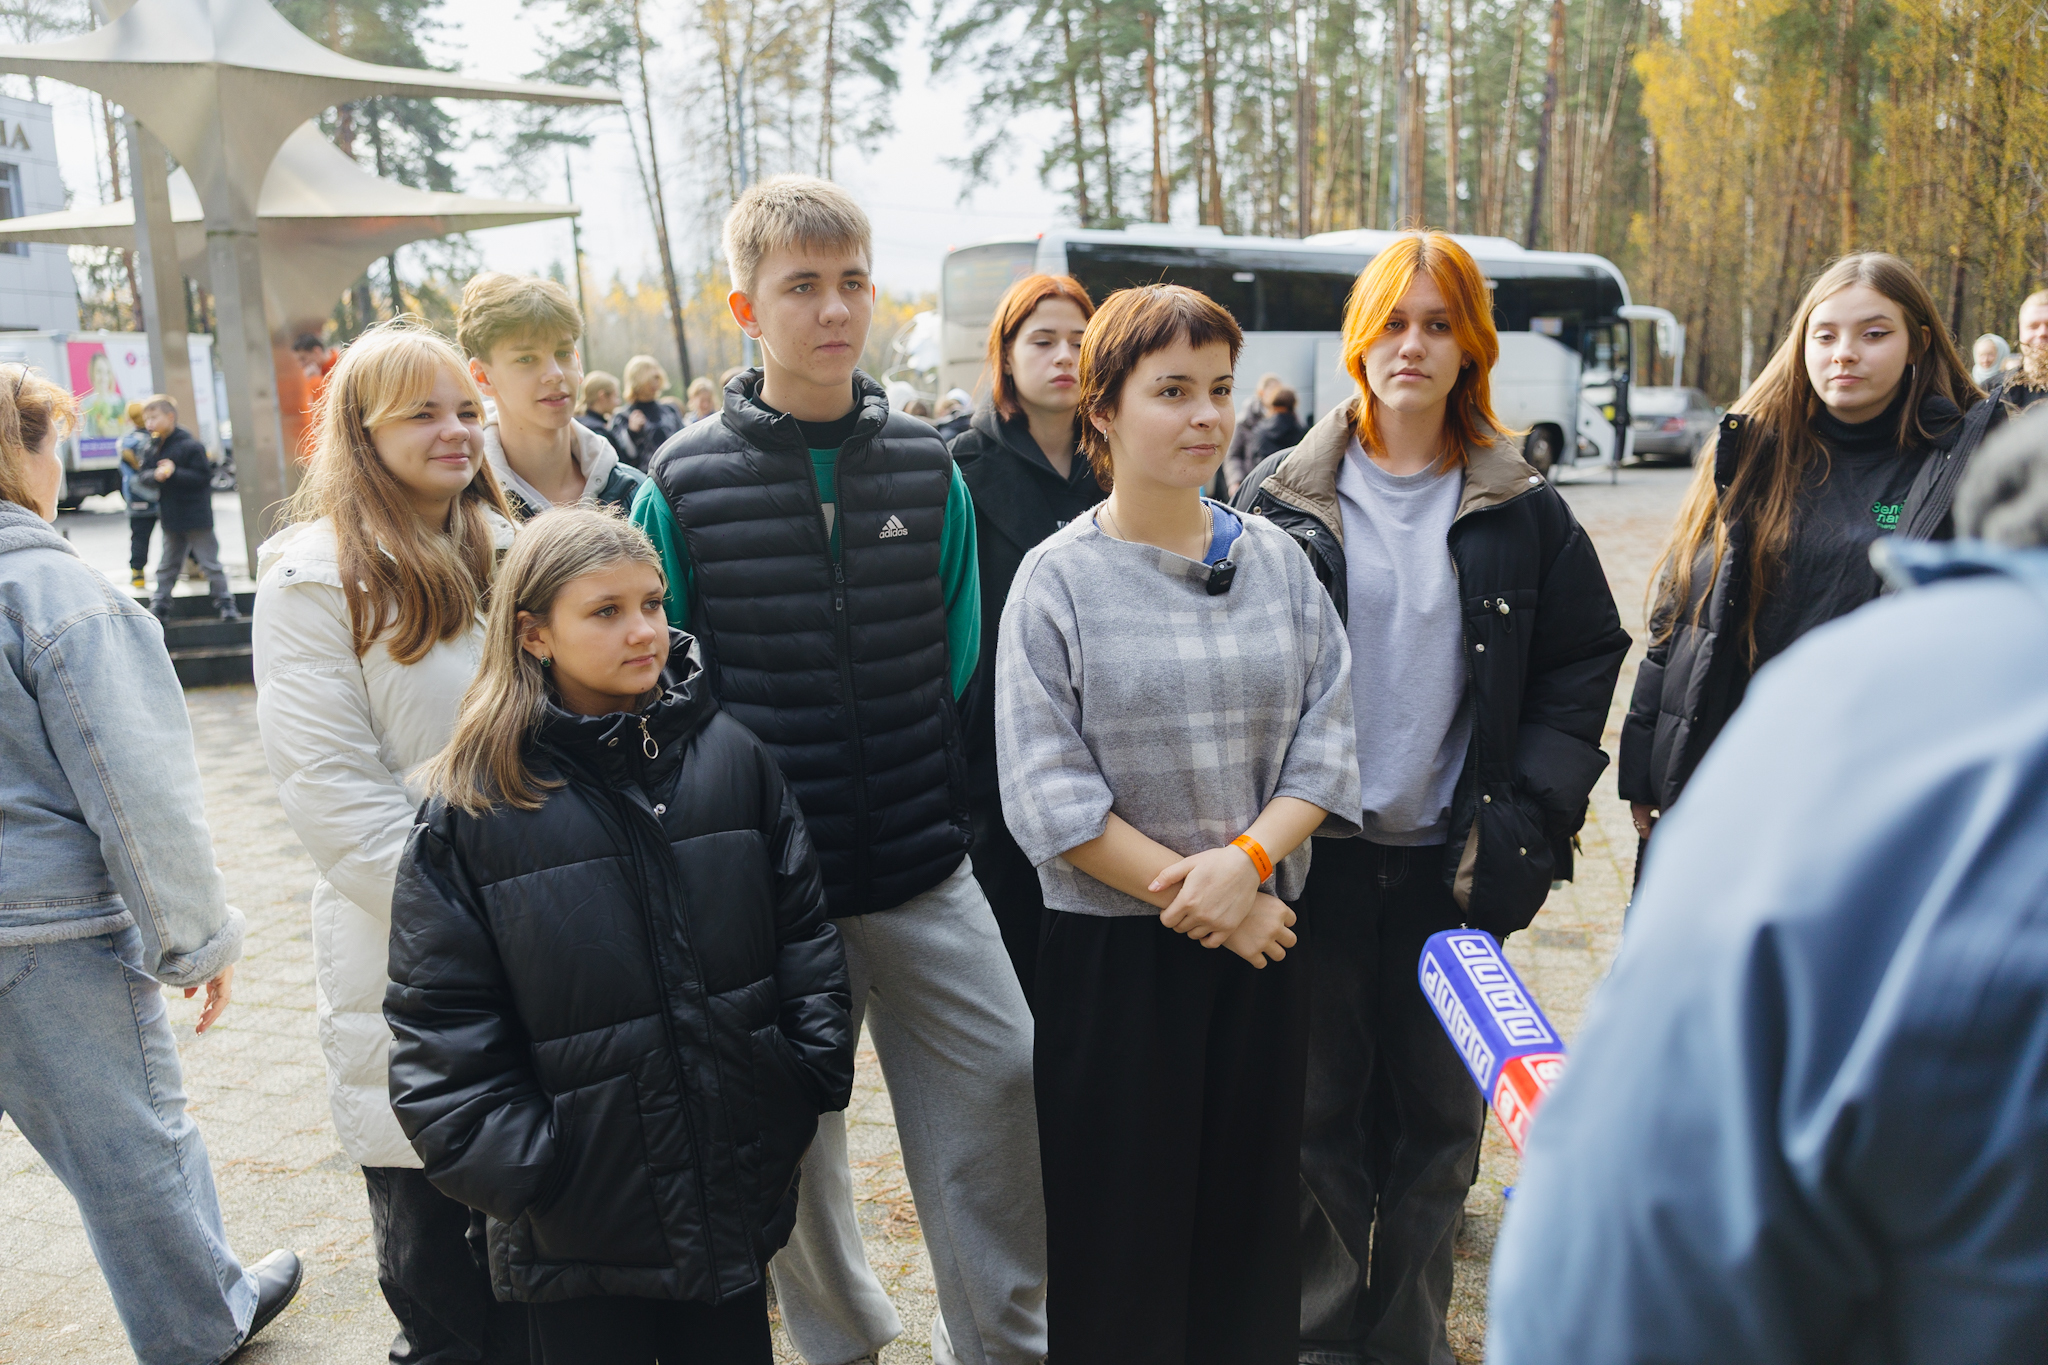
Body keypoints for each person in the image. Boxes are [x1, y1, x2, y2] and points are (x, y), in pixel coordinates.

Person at [1485, 408, 2048, 1365]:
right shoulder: (1755, 477)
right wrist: (1644, 773)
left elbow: (1618, 1253)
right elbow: (1673, 629)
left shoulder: (1840, 692)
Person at [630, 174, 1046, 1365]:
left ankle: (1004, 1339)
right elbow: (661, 680)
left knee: (1002, 1076)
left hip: (920, 864)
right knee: (794, 1136)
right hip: (764, 888)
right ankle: (840, 1339)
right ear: (744, 308)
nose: (831, 308)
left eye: (851, 282)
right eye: (800, 285)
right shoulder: (682, 483)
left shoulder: (926, 465)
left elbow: (956, 651)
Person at [1233, 230, 1631, 1365]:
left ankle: (1406, 1341)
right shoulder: (1277, 495)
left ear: (1470, 349)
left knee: (1440, 1131)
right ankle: (1317, 1343)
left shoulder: (1522, 506)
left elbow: (1583, 657)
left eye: (1438, 324)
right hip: (1314, 865)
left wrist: (1527, 819)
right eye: (1393, 322)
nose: (1412, 344)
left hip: (1451, 873)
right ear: (1360, 341)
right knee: (1310, 1123)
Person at [386, 506, 857, 1365]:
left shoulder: (731, 757)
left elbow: (803, 933)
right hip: (576, 1229)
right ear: (533, 633)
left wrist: (798, 1076)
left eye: (652, 602)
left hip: (726, 1193)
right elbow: (439, 1022)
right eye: (605, 610)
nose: (643, 630)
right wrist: (529, 1171)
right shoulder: (476, 807)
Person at [999, 283, 1360, 1363]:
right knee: (1123, 1246)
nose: (1204, 415)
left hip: (1263, 946)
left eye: (1218, 388)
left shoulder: (1278, 562)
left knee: (1248, 1238)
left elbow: (1328, 740)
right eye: (1170, 391)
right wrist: (1215, 897)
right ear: (1102, 408)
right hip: (1114, 959)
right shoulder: (1055, 582)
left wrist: (1247, 865)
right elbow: (1049, 798)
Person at [0, 362, 302, 1364]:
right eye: (54, 445)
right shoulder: (56, 592)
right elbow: (136, 789)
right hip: (44, 929)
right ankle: (198, 1324)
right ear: (24, 455)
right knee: (132, 1141)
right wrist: (195, 940)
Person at [252, 320, 527, 1365]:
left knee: (547, 1265)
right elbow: (331, 794)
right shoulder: (313, 581)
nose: (455, 430)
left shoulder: (520, 552)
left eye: (466, 409)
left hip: (553, 943)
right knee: (439, 1275)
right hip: (413, 959)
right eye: (422, 413)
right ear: (361, 431)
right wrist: (478, 918)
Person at [1620, 252, 1999, 839]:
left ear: (1918, 343)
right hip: (1738, 774)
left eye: (1874, 334)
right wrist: (1647, 766)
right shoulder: (1752, 453)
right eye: (1825, 336)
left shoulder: (1971, 466)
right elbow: (1680, 615)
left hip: (1886, 792)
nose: (1844, 352)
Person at [948, 271, 1099, 1002]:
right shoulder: (956, 467)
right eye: (1043, 340)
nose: (1064, 356)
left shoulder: (1121, 459)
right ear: (1005, 355)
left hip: (1106, 746)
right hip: (994, 752)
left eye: (1080, 340)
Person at [460, 273, 646, 518]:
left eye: (563, 353)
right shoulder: (459, 507)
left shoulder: (638, 493)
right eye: (526, 358)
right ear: (482, 377)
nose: (555, 374)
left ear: (578, 363)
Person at [144, 393, 238, 622]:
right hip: (171, 517)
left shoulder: (190, 445)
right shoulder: (153, 447)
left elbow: (203, 478)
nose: (149, 423)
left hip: (196, 516)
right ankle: (160, 606)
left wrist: (174, 472)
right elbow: (143, 476)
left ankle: (226, 605)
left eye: (154, 417)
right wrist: (156, 475)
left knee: (210, 563)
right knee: (168, 564)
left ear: (170, 416)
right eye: (147, 419)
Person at [117, 398, 159, 590]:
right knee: (177, 535)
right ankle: (195, 565)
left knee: (139, 536)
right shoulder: (156, 439)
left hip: (136, 497)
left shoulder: (126, 441)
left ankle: (138, 573)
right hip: (160, 495)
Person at [617, 353, 683, 470]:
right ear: (637, 381)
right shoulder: (623, 416)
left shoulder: (670, 410)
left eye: (657, 378)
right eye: (649, 379)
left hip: (677, 472)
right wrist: (631, 432)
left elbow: (685, 442)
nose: (655, 383)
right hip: (644, 478)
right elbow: (622, 458)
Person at [1221, 370, 1283, 492]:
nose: (1276, 396)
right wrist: (1236, 482)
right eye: (1273, 391)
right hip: (1249, 484)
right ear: (1261, 393)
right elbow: (1233, 454)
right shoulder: (1245, 421)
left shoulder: (1283, 418)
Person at [575, 368, 639, 465]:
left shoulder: (579, 422)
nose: (618, 402)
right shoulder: (598, 431)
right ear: (603, 396)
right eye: (616, 396)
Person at [1249, 384, 1307, 464]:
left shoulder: (1260, 431)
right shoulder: (1303, 433)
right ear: (1294, 405)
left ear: (1272, 405)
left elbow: (1254, 460)